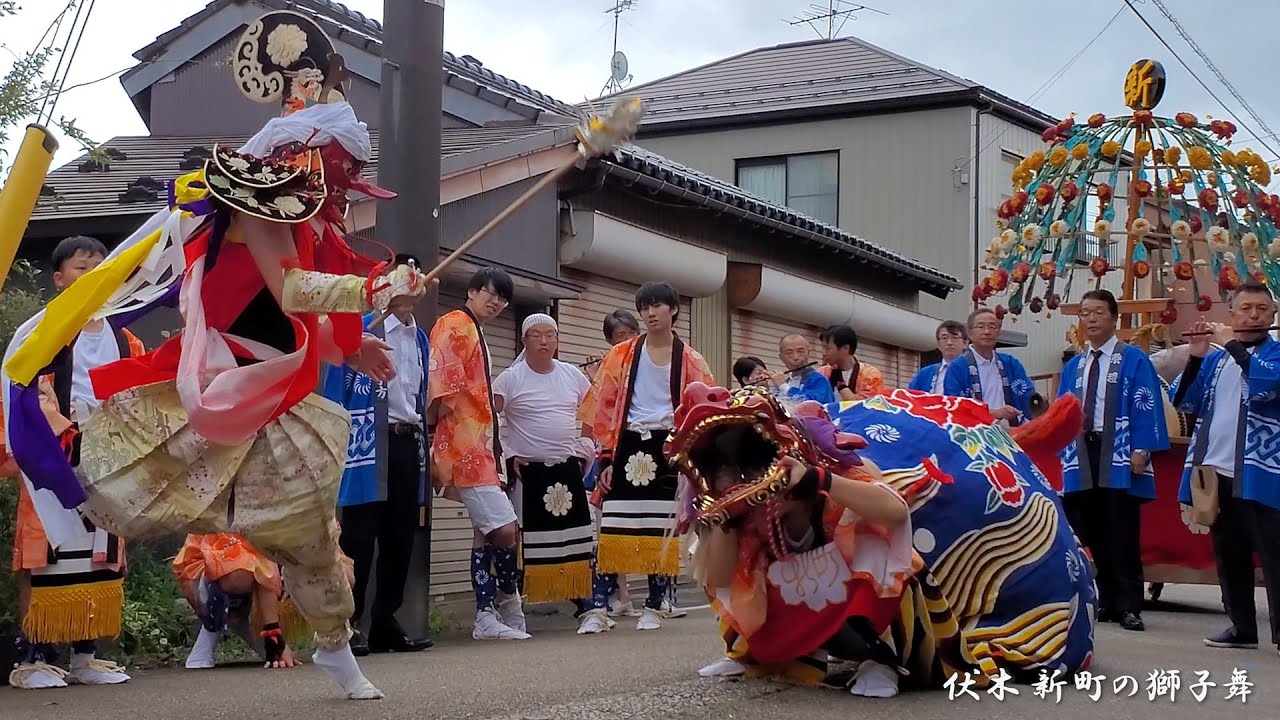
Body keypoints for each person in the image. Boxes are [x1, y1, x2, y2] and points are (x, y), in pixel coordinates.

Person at [3, 12, 430, 699]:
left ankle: (335, 651)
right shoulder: (261, 210)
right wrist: (376, 284)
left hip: (270, 399)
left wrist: (356, 350)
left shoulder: (300, 221)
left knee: (314, 535)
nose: (341, 184)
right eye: (335, 166)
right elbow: (291, 289)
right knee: (119, 493)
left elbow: (287, 323)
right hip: (218, 390)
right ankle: (58, 627)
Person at [2, 236, 140, 690]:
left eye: (101, 267)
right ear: (59, 278)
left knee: (101, 554)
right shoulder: (40, 332)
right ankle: (33, 658)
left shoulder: (125, 335)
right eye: (82, 268)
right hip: (54, 452)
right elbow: (19, 391)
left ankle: (85, 654)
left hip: (109, 457)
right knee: (46, 553)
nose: (92, 275)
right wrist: (62, 433)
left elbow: (140, 397)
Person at [579, 281, 714, 630]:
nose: (651, 313)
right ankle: (599, 607)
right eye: (646, 307)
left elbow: (705, 409)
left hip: (667, 444)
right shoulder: (622, 354)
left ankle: (655, 604)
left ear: (673, 310)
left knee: (660, 527)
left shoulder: (691, 359)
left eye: (658, 306)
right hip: (627, 441)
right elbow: (606, 406)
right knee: (613, 525)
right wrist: (607, 457)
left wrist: (691, 458)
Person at [327, 254, 433, 656]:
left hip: (406, 438)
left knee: (401, 535)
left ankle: (386, 618)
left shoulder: (420, 338)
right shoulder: (363, 328)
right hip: (368, 438)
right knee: (360, 532)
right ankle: (348, 623)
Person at [1172, 281, 1280, 653]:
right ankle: (1242, 627)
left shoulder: (1275, 355)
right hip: (1217, 469)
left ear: (1272, 315)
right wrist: (1197, 356)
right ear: (1231, 314)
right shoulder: (1217, 359)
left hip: (1262, 470)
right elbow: (1186, 403)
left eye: (1261, 309)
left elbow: (1266, 385)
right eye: (1245, 309)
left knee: (1274, 554)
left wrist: (1231, 344)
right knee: (1229, 553)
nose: (1253, 315)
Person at [1058, 290, 1168, 632]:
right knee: (1092, 531)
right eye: (1085, 313)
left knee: (1122, 529)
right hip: (1082, 451)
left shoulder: (1132, 358)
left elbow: (1145, 402)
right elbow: (1063, 410)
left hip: (1118, 449)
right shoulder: (1074, 365)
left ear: (1113, 317)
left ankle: (1131, 606)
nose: (1090, 319)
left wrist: (1141, 448)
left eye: (1097, 313)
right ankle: (1106, 600)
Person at [429, 267, 529, 641]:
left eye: (502, 298)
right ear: (472, 291)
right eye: (490, 293)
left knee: (485, 533)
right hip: (464, 442)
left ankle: (490, 613)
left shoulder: (470, 327)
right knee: (504, 529)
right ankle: (503, 604)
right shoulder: (456, 324)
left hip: (479, 443)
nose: (496, 302)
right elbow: (441, 386)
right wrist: (432, 430)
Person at [492, 314, 605, 633]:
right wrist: (507, 453)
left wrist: (585, 443)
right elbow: (487, 416)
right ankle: (510, 603)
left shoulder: (571, 374)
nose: (544, 341)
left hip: (567, 465)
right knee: (524, 538)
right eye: (536, 335)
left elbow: (593, 408)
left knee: (576, 534)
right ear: (524, 340)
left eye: (550, 335)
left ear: (557, 341)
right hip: (528, 471)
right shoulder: (510, 378)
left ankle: (587, 602)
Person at [583, 309, 642, 618]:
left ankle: (625, 594)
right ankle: (606, 596)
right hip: (610, 454)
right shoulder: (609, 369)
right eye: (621, 336)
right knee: (609, 528)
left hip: (638, 454)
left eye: (632, 334)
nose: (628, 341)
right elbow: (598, 418)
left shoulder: (648, 364)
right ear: (610, 341)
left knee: (633, 527)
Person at [174, 533, 297, 670]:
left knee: (300, 581)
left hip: (259, 589)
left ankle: (246, 623)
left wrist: (290, 575)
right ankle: (224, 618)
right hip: (207, 576)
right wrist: (274, 637)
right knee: (240, 571)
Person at [940, 308, 1034, 427]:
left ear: (998, 332)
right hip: (976, 434)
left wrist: (1037, 405)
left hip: (1010, 434)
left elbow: (1027, 395)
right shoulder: (958, 367)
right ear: (969, 333)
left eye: (992, 327)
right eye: (980, 327)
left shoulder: (1010, 363)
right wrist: (995, 413)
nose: (987, 332)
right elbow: (955, 406)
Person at [817, 325, 885, 401]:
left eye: (827, 348)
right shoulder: (822, 373)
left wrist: (840, 384)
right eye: (822, 348)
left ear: (846, 348)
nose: (823, 353)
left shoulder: (871, 375)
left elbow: (865, 407)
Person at [775, 334, 836, 405]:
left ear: (808, 353)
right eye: (789, 353)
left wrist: (783, 387)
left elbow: (809, 404)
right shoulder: (784, 383)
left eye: (800, 351)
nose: (796, 357)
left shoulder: (819, 380)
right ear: (781, 357)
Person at [907, 321, 967, 394]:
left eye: (954, 338)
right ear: (938, 344)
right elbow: (910, 396)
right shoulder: (925, 373)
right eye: (944, 338)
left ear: (965, 343)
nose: (949, 342)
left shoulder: (972, 371)